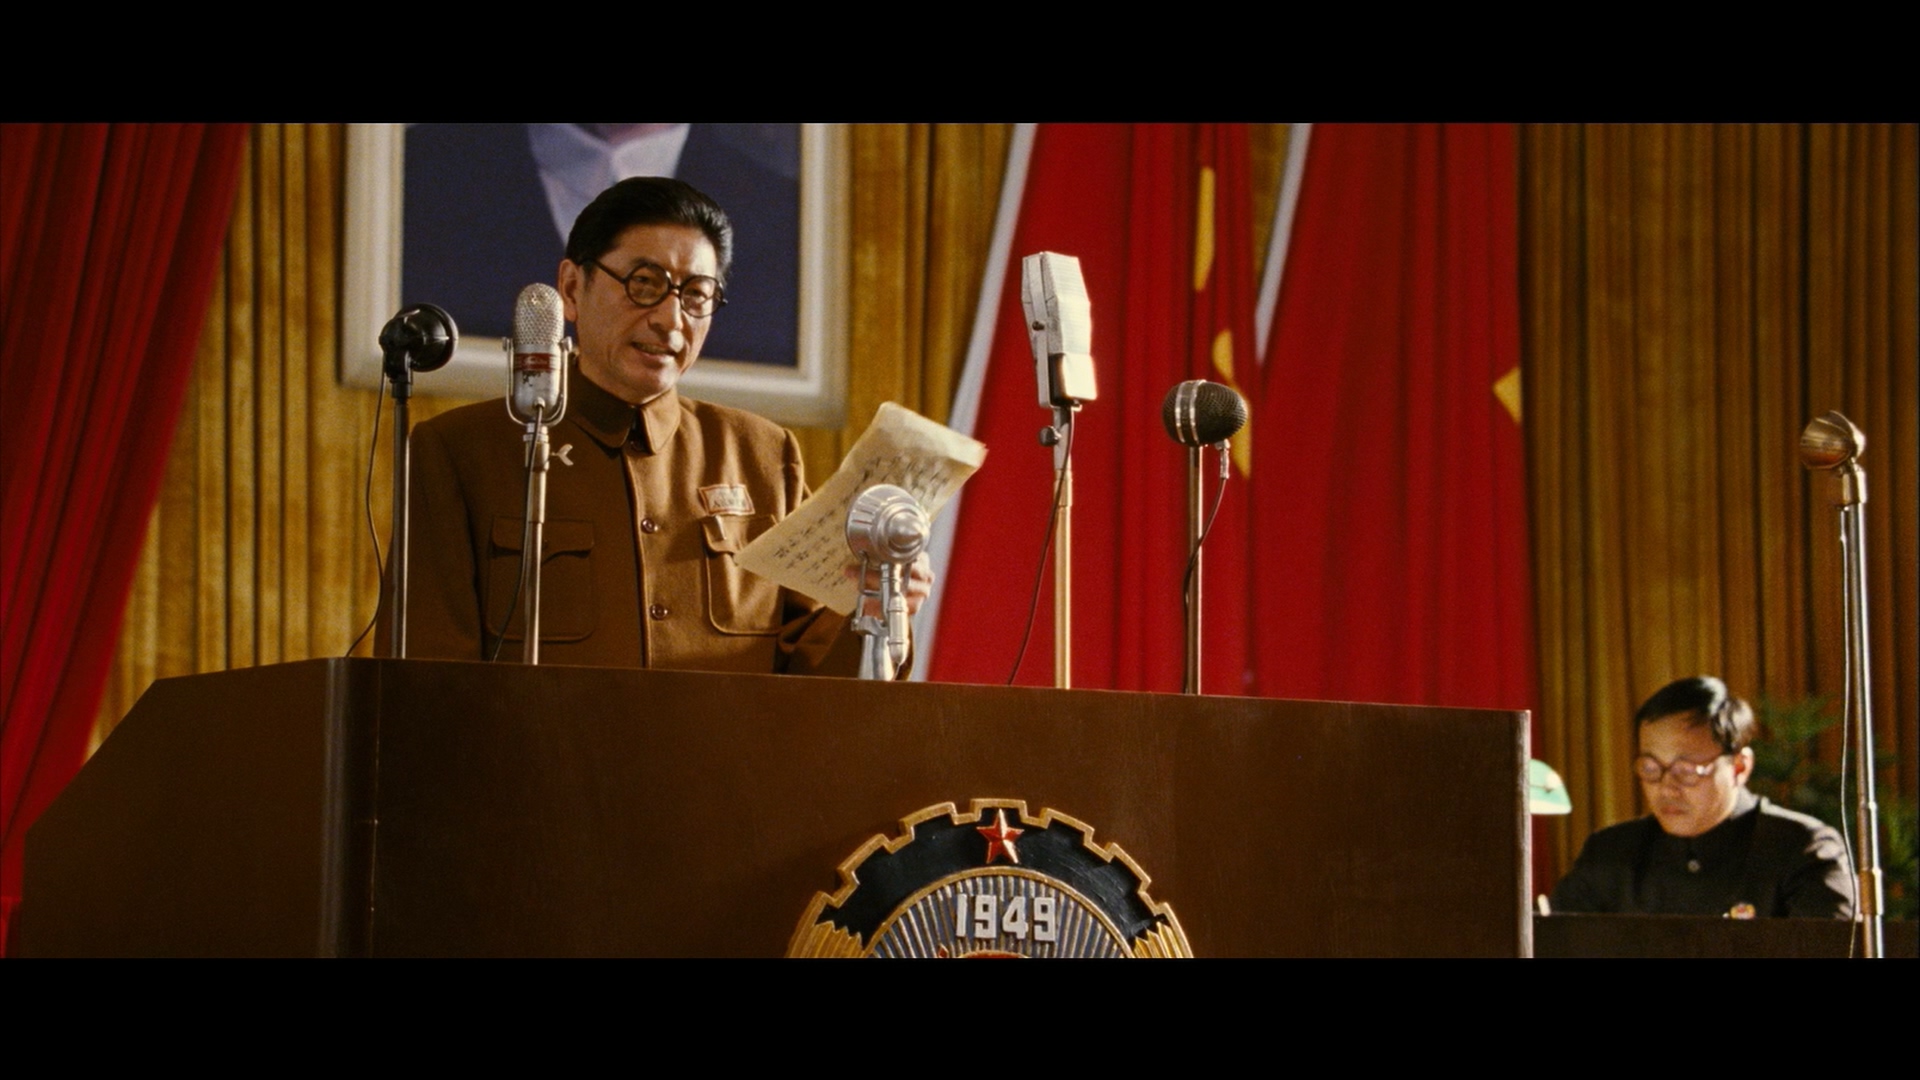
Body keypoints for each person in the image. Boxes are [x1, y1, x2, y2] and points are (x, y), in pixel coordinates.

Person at [402, 176, 926, 673]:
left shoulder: (763, 456)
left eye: (696, 294)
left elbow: (811, 678)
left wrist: (879, 611)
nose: (671, 320)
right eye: (644, 283)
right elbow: (425, 676)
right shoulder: (460, 451)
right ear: (572, 288)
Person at [1550, 676, 1854, 918]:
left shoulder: (1801, 850)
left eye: (1686, 771)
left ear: (1739, 766)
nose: (1666, 787)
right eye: (1651, 768)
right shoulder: (1611, 853)